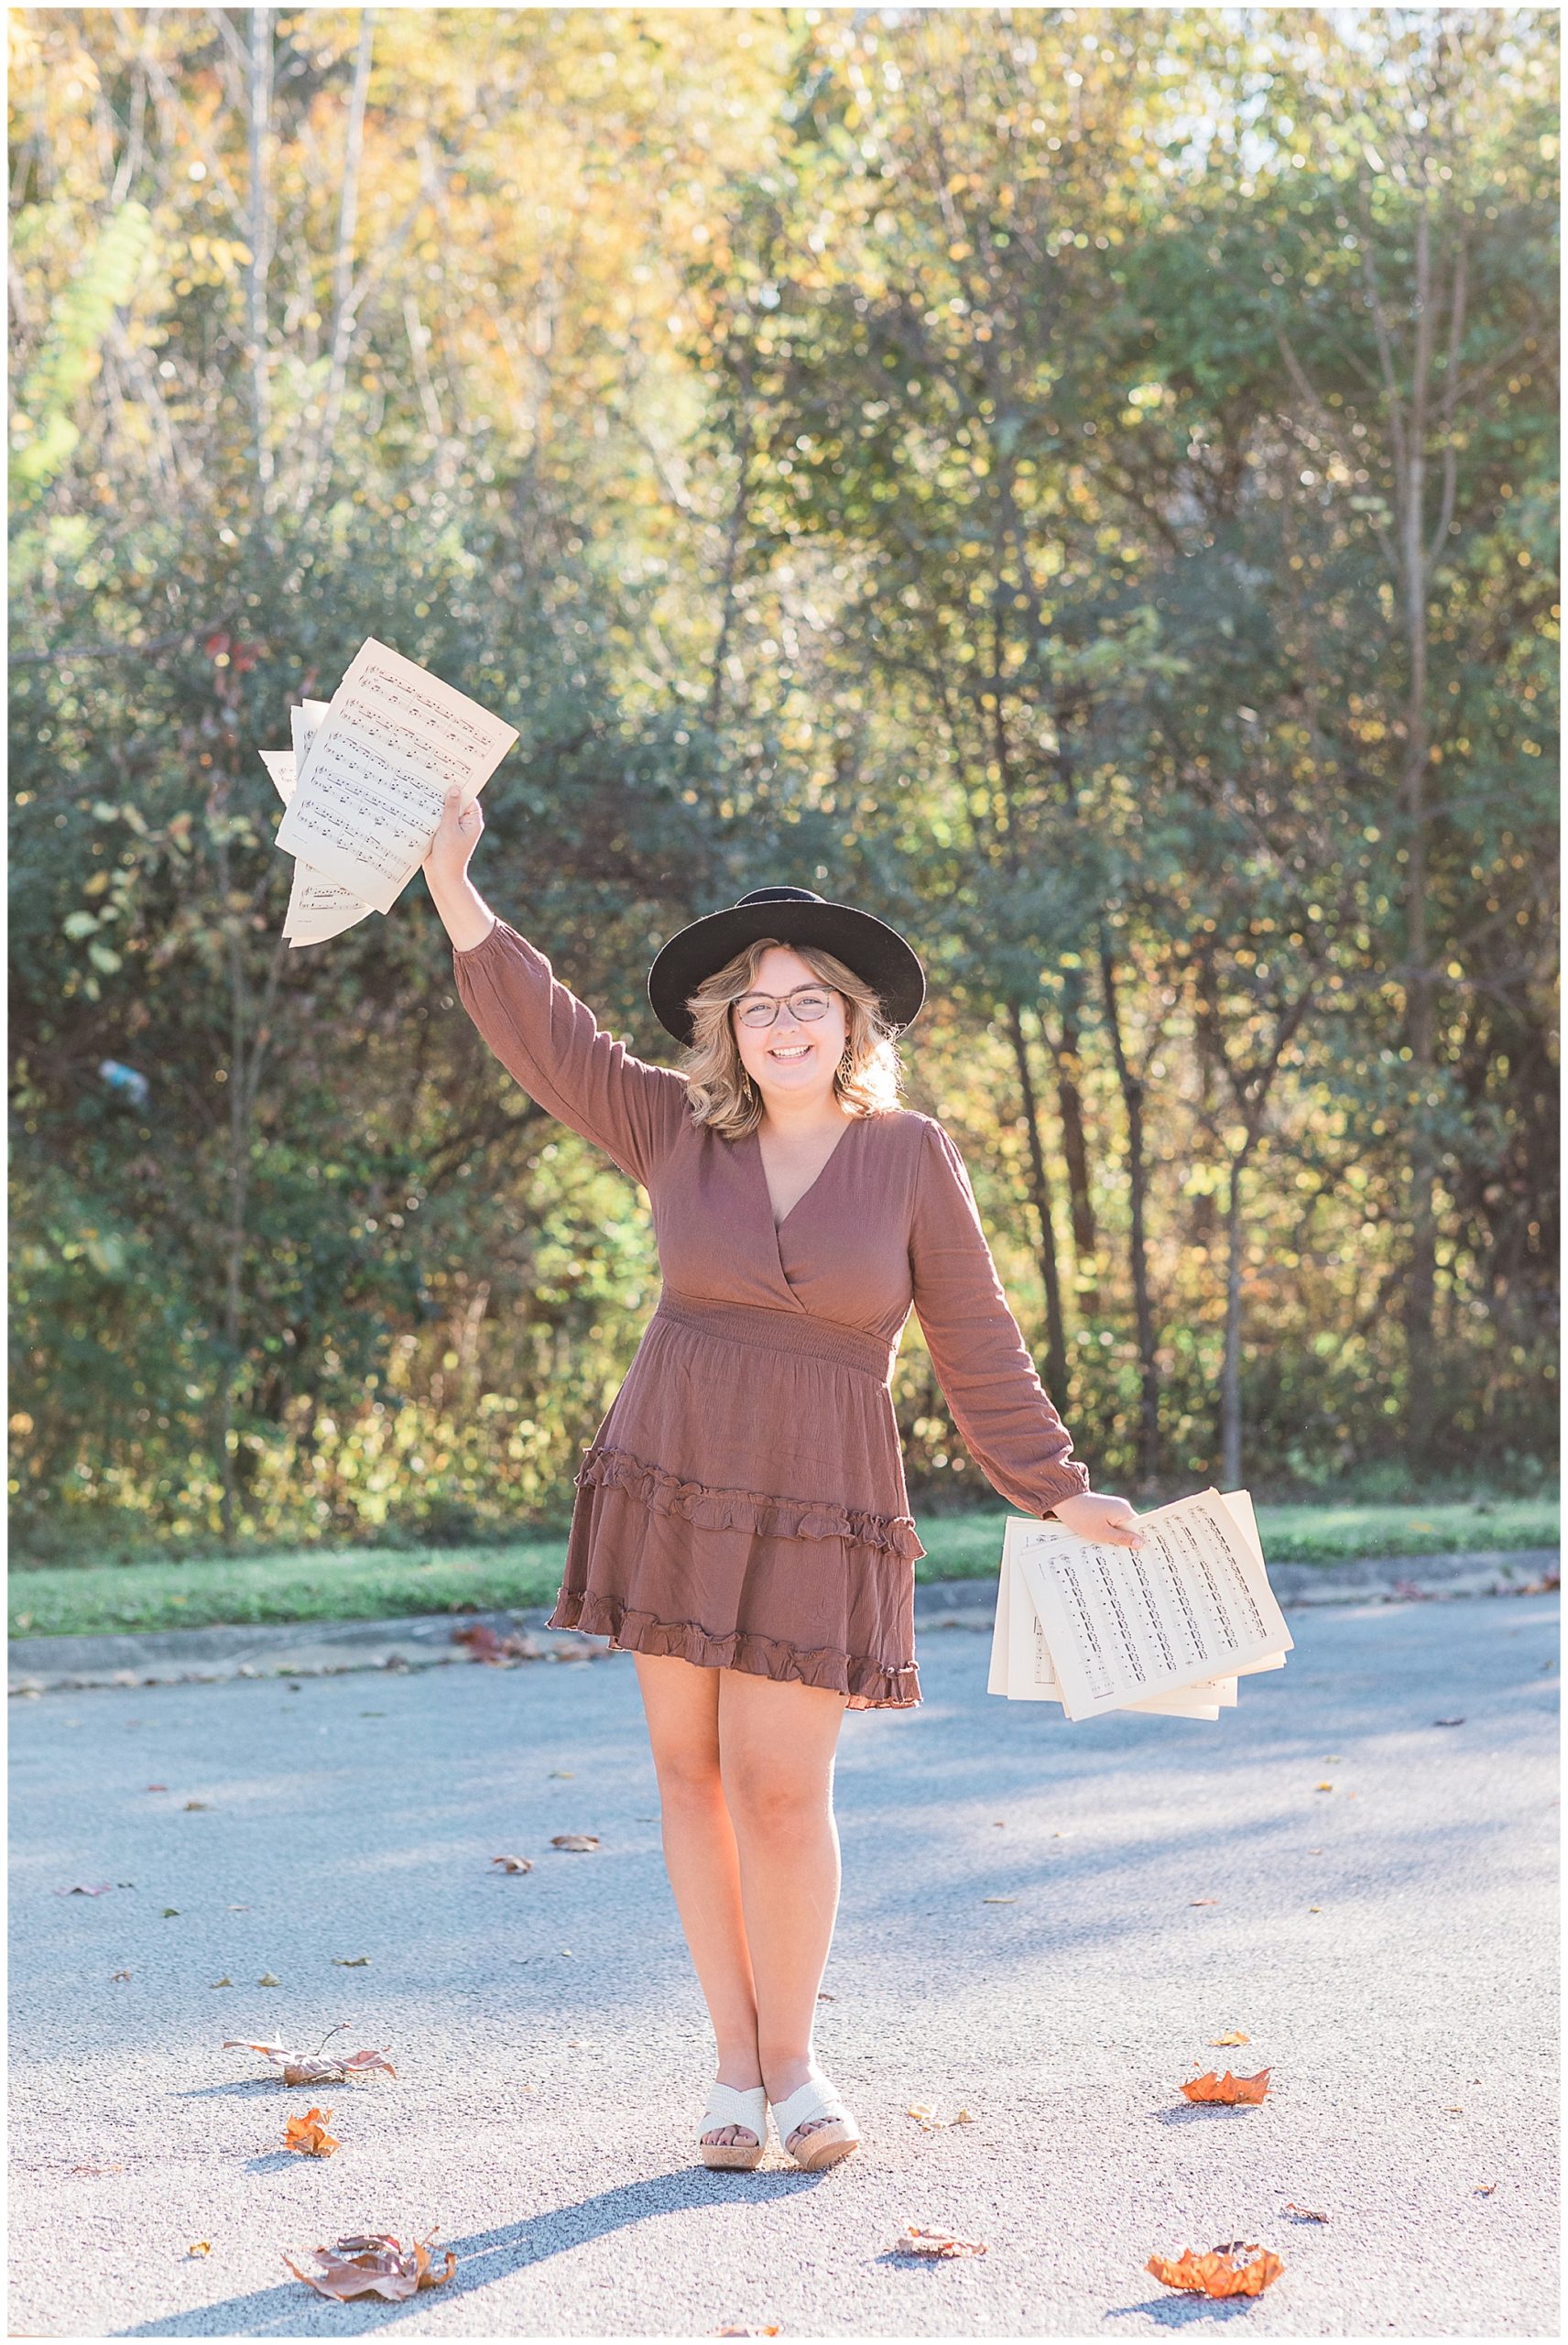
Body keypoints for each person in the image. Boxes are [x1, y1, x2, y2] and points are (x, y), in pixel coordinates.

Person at [424, 783, 1146, 2174]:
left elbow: (974, 1336)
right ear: (727, 1032)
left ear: (853, 1021)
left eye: (809, 998)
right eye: (756, 1005)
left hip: (823, 1490)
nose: (784, 1021)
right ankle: (730, 2072)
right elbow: (546, 1034)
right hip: (675, 1474)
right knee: (688, 1781)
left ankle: (798, 2067)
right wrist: (456, 886)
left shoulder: (909, 1155)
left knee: (780, 1791)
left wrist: (1056, 1488)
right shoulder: (671, 1131)